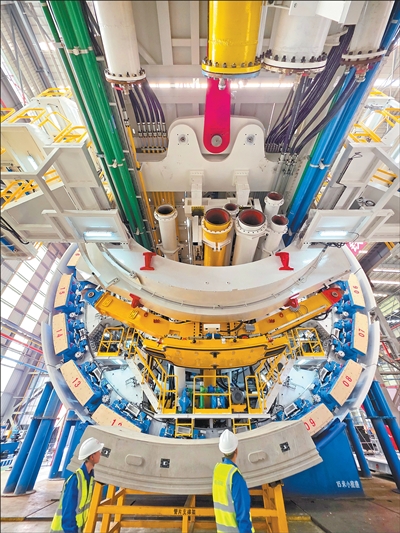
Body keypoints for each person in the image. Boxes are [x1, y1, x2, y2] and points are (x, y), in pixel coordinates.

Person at [50, 437, 104, 533]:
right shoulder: (75, 480)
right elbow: (68, 511)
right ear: (92, 457)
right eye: (98, 452)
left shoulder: (90, 478)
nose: (100, 454)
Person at [212, 429, 254, 533]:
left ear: (222, 450)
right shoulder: (235, 476)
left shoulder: (217, 471)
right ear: (236, 450)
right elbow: (243, 513)